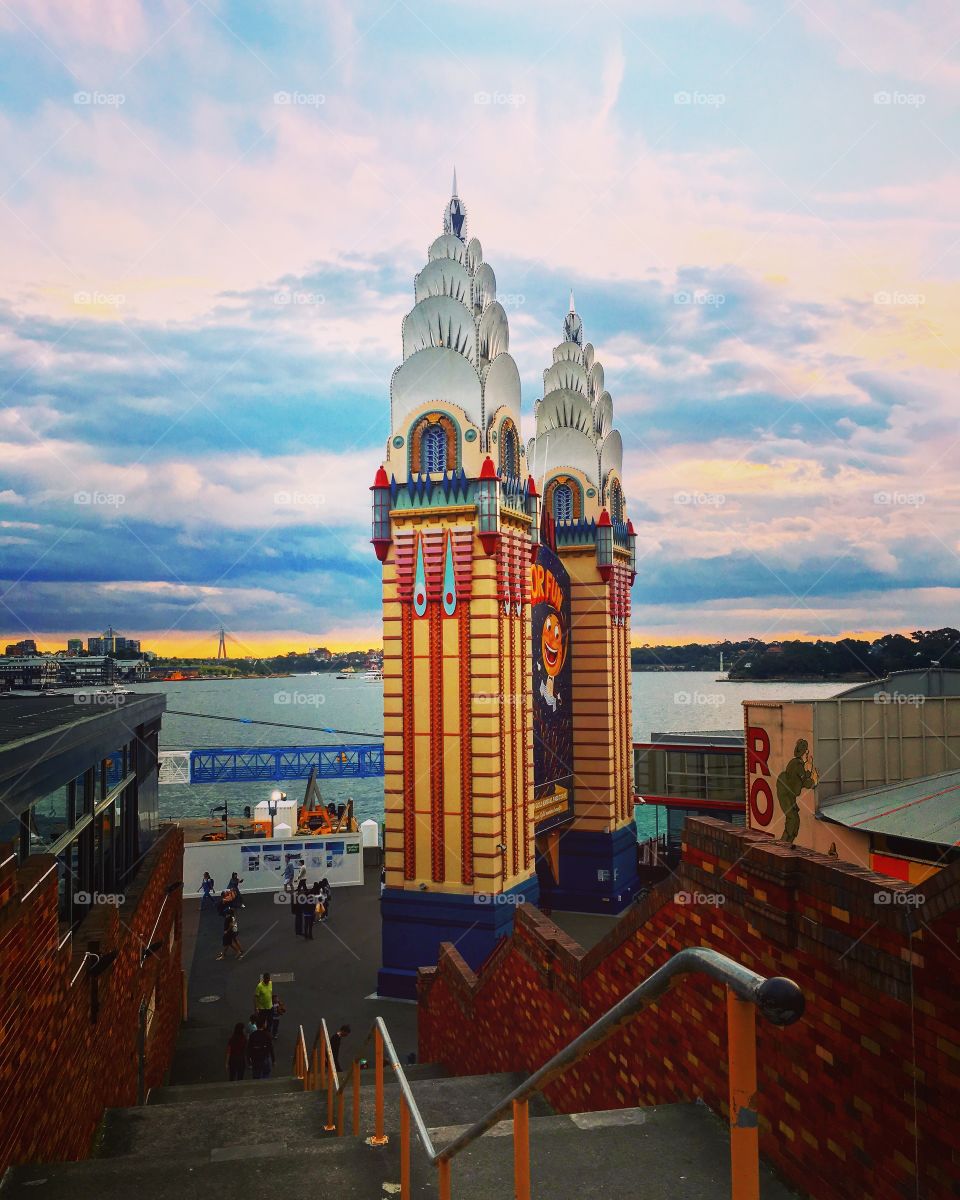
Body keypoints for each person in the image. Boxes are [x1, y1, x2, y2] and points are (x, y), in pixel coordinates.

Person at [247, 1015, 274, 1080]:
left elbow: (249, 1048)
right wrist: (273, 1059)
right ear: (264, 1024)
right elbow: (271, 1048)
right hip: (265, 1057)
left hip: (255, 1058)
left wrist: (249, 1059)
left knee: (256, 1075)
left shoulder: (253, 1035)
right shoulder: (268, 1035)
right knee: (266, 1074)